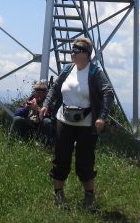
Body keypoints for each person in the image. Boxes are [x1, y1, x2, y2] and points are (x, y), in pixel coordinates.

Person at [39, 37, 113, 210]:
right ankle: (58, 195)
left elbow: (108, 93)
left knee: (85, 161)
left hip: (87, 124)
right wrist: (45, 106)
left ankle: (89, 198)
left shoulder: (95, 72)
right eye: (72, 50)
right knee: (60, 157)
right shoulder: (67, 69)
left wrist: (102, 117)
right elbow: (55, 89)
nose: (72, 53)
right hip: (63, 120)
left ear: (86, 54)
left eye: (76, 50)